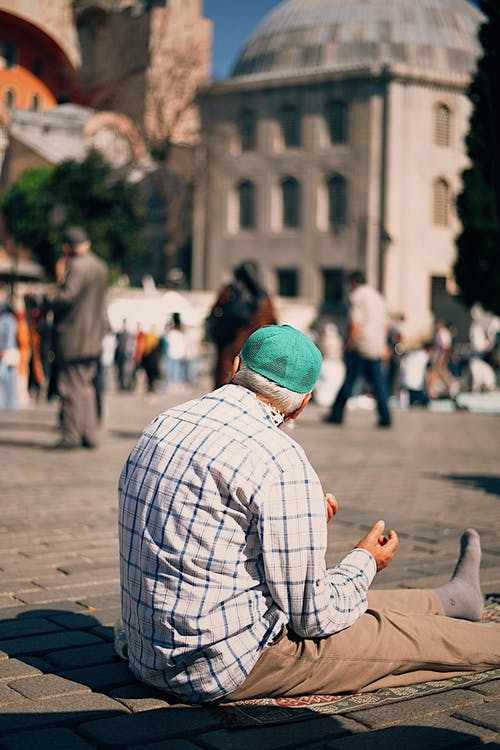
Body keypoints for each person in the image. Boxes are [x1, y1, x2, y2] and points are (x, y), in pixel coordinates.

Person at [118, 324, 500, 705]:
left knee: (355, 600)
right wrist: (366, 561)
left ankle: (454, 600)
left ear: (235, 366)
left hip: (149, 650)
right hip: (218, 662)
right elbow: (312, 616)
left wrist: (298, 521)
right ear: (303, 403)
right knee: (392, 636)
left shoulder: (165, 422)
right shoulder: (279, 458)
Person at [45, 226, 109, 449]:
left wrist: (45, 298)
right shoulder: (100, 266)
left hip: (73, 338)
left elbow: (67, 297)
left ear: (67, 247)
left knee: (70, 387)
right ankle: (89, 434)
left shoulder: (77, 266)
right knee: (86, 387)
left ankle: (71, 435)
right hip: (93, 337)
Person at [324, 270, 391, 427]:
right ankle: (386, 417)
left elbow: (356, 324)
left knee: (349, 381)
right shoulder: (377, 296)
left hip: (361, 345)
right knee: (379, 384)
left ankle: (337, 414)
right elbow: (385, 325)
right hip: (376, 346)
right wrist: (383, 345)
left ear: (353, 282)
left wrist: (348, 344)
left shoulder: (357, 296)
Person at [207, 260, 277, 388]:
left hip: (229, 344)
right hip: (255, 348)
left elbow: (213, 315)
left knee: (225, 378)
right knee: (252, 383)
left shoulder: (228, 292)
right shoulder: (264, 298)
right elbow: (273, 324)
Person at [399, 341, 434, 407]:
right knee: (427, 403)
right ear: (430, 349)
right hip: (416, 388)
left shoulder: (411, 354)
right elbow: (428, 377)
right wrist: (429, 393)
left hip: (404, 386)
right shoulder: (426, 357)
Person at [0, 294, 20, 410]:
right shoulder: (9, 320)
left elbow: (9, 337)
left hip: (8, 352)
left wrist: (4, 350)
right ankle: (8, 402)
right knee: (7, 378)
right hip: (8, 351)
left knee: (7, 378)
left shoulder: (7, 320)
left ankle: (9, 402)